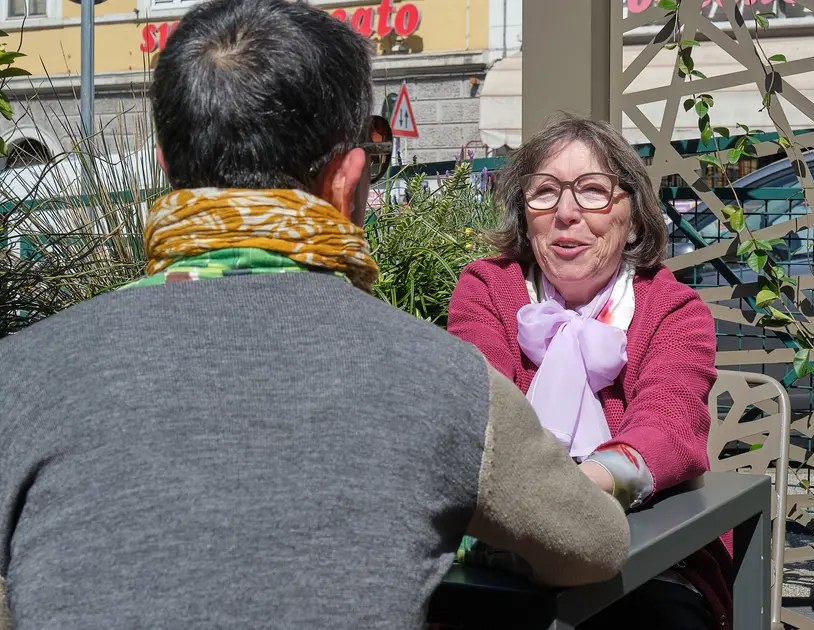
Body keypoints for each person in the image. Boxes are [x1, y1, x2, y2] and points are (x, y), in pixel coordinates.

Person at [0, 3, 631, 628]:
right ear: (346, 179)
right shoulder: (446, 383)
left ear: (167, 167)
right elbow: (595, 545)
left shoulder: (21, 374)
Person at [448, 115, 732, 630]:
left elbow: (669, 422)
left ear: (635, 217)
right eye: (545, 192)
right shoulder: (488, 289)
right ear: (523, 213)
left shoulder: (671, 308)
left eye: (593, 191)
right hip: (504, 546)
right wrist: (535, 513)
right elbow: (479, 410)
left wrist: (575, 495)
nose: (566, 213)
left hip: (648, 553)